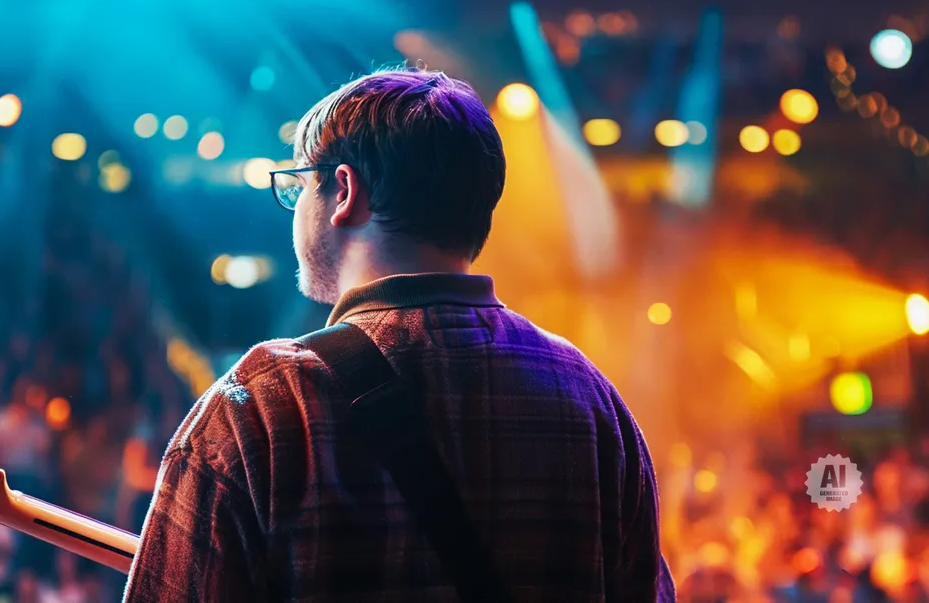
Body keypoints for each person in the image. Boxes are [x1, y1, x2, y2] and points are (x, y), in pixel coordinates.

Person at [123, 67, 676, 602]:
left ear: (344, 191)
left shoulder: (262, 405)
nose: (294, 210)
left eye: (299, 187)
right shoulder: (591, 401)